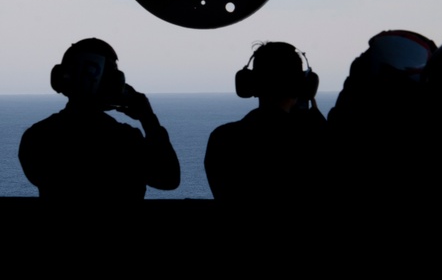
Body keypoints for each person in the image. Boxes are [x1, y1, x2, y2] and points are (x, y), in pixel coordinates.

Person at [18, 38, 180, 200]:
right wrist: (148, 117)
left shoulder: (36, 137)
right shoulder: (126, 141)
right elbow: (169, 178)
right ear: (111, 83)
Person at [203, 41, 326, 203]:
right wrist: (320, 127)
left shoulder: (222, 139)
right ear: (303, 85)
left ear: (250, 83)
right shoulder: (315, 138)